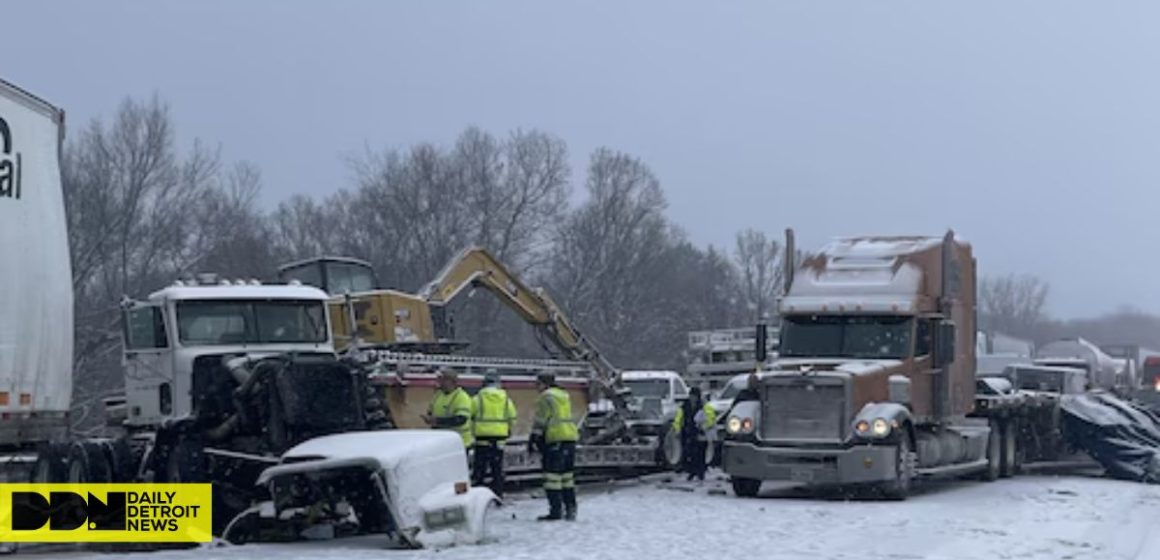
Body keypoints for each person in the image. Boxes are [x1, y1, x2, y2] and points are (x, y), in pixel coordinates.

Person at [529, 372, 579, 521]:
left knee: (552, 477)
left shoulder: (545, 397)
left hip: (555, 437)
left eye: (537, 384)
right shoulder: (564, 395)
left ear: (544, 384)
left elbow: (541, 421)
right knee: (567, 476)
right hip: (569, 436)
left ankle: (556, 510)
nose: (536, 387)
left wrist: (534, 438)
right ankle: (571, 507)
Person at [472, 372, 517, 499]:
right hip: (499, 439)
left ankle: (477, 497)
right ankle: (498, 495)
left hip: (482, 439)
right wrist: (507, 429)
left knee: (479, 470)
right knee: (497, 470)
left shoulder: (477, 398)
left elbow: (470, 416)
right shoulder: (506, 399)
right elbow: (512, 417)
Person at [422, 369, 474, 451]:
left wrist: (437, 421)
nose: (440, 382)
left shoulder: (461, 397)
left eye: (443, 380)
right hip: (443, 442)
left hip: (459, 443)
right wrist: (429, 418)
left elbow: (461, 420)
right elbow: (431, 411)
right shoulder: (438, 395)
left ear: (452, 382)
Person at [672, 387, 717, 481]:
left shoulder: (704, 406)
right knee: (689, 453)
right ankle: (692, 472)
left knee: (700, 453)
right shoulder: (684, 406)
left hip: (700, 433)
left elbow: (711, 418)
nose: (693, 398)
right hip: (688, 433)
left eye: (695, 396)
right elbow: (678, 419)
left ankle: (700, 472)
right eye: (691, 396)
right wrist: (677, 429)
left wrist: (704, 426)